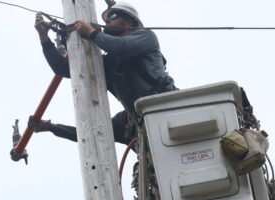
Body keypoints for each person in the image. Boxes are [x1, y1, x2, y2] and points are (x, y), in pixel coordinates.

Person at [30, 1, 176, 146]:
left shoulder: (147, 37)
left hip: (169, 106)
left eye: (113, 15)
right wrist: (44, 39)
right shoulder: (110, 65)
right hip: (148, 122)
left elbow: (120, 47)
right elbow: (63, 69)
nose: (107, 20)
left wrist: (92, 33)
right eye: (106, 19)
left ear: (129, 20)